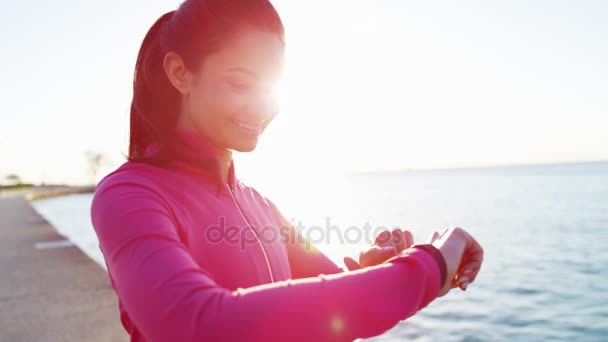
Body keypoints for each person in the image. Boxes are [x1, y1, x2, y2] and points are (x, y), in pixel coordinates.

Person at [90, 1, 484, 341]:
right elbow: (195, 326)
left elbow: (331, 308)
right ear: (180, 73)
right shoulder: (129, 196)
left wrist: (371, 271)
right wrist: (428, 267)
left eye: (271, 86)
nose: (261, 107)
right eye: (240, 83)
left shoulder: (260, 205)